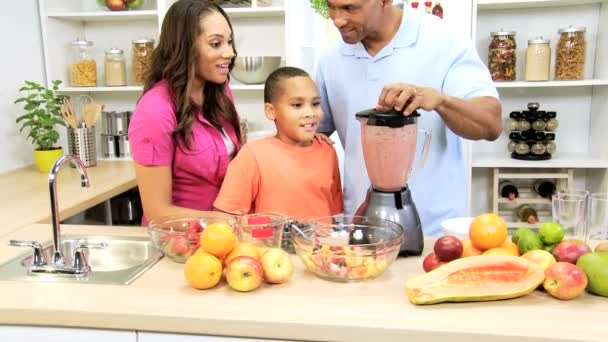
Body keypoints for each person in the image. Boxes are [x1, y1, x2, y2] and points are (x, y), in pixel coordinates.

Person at [316, 0, 503, 235]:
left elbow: (491, 124)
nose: (337, 19)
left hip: (435, 233)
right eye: (331, 6)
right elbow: (311, 137)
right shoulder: (330, 60)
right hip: (363, 233)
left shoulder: (443, 40)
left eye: (350, 8)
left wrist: (442, 101)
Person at [128, 0, 242, 225]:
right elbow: (158, 214)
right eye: (216, 44)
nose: (229, 53)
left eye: (229, 42)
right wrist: (229, 221)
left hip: (220, 238)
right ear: (186, 46)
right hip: (179, 243)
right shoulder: (155, 111)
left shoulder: (220, 94)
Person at [214, 66, 343, 219]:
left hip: (322, 243)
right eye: (297, 105)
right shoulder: (252, 156)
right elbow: (224, 218)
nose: (310, 113)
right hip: (271, 243)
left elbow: (333, 215)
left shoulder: (327, 150)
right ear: (271, 111)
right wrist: (270, 229)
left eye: (315, 103)